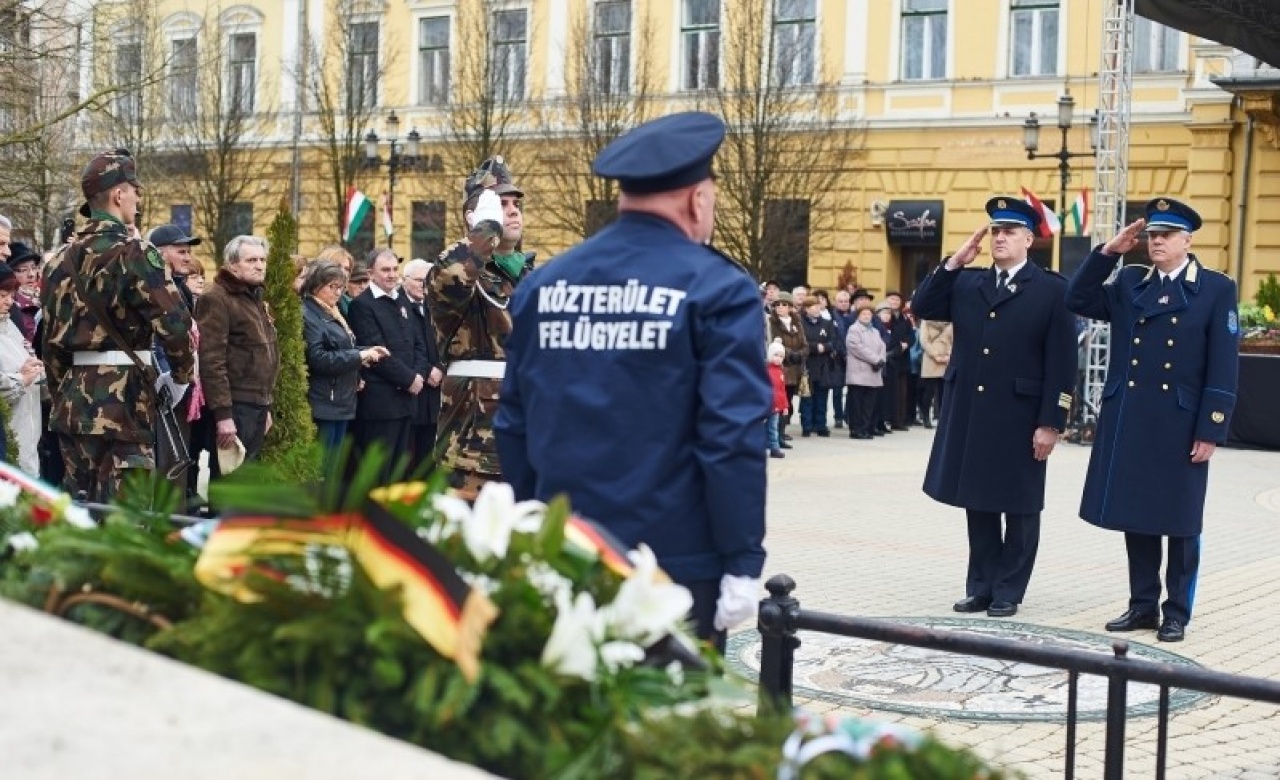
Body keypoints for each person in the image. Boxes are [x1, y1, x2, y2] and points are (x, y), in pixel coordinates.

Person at [495, 111, 772, 650]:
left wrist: (536, 530)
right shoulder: (719, 289)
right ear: (697, 199)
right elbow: (731, 437)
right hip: (672, 565)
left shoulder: (544, 284)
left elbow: (514, 423)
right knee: (663, 725)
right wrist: (742, 560)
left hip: (567, 549)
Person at [1065, 198, 1238, 642]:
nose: (1156, 242)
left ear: (1187, 240)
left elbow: (1223, 364)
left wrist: (1211, 428)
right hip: (1132, 416)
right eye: (1152, 235)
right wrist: (1109, 252)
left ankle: (1176, 611)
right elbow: (1077, 297)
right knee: (1137, 513)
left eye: (1165, 236)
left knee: (1179, 520)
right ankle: (1142, 604)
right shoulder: (1129, 281)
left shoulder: (1215, 289)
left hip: (1181, 422)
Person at [911, 196, 1076, 618]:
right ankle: (980, 586)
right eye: (996, 231)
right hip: (974, 413)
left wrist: (1051, 422)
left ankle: (1009, 590)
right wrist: (953, 263)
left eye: (1010, 232)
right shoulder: (968, 283)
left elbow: (1062, 363)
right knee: (979, 503)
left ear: (1029, 239)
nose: (1000, 237)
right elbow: (923, 307)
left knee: (1020, 506)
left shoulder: (1052, 290)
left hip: (1022, 416)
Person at [41, 148, 194, 501]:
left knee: (81, 519)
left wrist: (66, 389)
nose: (138, 199)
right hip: (125, 403)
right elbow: (175, 324)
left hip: (74, 403)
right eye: (135, 191)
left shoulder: (58, 261)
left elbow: (50, 343)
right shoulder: (135, 252)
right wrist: (181, 378)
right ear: (118, 194)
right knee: (127, 521)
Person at [428, 155, 531, 499]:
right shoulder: (458, 270)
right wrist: (484, 230)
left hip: (528, 436)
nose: (514, 210)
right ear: (476, 217)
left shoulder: (530, 276)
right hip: (473, 445)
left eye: (517, 204)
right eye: (502, 204)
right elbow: (452, 277)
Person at [195, 235, 280, 471]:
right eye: (251, 260)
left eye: (262, 260)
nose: (260, 265)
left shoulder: (254, 297)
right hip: (235, 406)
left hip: (257, 405)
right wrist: (223, 415)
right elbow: (212, 360)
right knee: (229, 478)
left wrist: (266, 404)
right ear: (232, 265)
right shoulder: (217, 298)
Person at [348, 248, 428, 476]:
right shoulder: (361, 306)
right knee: (378, 473)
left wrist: (419, 375)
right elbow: (376, 352)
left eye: (395, 269)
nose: (392, 274)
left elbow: (418, 343)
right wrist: (408, 378)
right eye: (385, 270)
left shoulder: (402, 300)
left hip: (407, 401)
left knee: (398, 472)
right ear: (371, 272)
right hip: (380, 404)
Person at [301, 260, 388, 465]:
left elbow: (342, 349)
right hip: (324, 401)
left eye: (341, 287)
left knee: (333, 467)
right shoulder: (308, 313)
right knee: (322, 467)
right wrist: (360, 356)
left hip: (341, 400)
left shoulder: (332, 311)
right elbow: (318, 358)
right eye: (333, 287)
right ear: (316, 285)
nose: (338, 293)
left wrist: (366, 351)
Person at [146, 224, 202, 498]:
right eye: (181, 251)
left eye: (188, 252)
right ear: (159, 253)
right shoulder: (150, 287)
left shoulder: (182, 290)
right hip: (160, 387)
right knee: (162, 467)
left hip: (182, 385)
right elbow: (155, 338)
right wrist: (166, 379)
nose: (188, 258)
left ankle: (172, 529)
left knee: (177, 466)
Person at [399, 258, 445, 466]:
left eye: (428, 280)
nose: (424, 286)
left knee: (430, 455)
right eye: (419, 280)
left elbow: (448, 341)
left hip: (436, 393)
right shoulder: (398, 305)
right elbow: (403, 347)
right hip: (412, 388)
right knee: (408, 456)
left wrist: (441, 368)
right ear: (405, 280)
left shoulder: (435, 306)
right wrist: (427, 371)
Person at [0, 263, 43, 474]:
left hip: (27, 445)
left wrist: (34, 371)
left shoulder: (10, 327)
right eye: (2, 295)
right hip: (8, 448)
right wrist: (20, 379)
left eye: (11, 295)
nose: (9, 301)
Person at [767, 291, 806, 447]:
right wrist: (790, 354)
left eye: (784, 304)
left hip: (795, 368)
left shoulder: (797, 322)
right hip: (780, 366)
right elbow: (775, 343)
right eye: (777, 305)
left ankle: (782, 434)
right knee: (776, 403)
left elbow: (805, 344)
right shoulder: (772, 322)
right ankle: (774, 436)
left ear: (790, 307)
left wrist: (800, 354)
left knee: (787, 404)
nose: (780, 307)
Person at [844, 300, 886, 441]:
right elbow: (856, 348)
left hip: (873, 372)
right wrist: (875, 359)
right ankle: (856, 429)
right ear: (858, 315)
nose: (866, 316)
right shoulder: (854, 329)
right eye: (863, 314)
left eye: (869, 314)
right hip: (859, 372)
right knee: (857, 404)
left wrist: (881, 360)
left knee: (869, 404)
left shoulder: (875, 331)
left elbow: (882, 347)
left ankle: (866, 428)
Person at [798, 295, 839, 437]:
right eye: (813, 307)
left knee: (822, 397)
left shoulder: (827, 323)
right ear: (806, 309)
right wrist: (816, 347)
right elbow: (801, 343)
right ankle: (807, 426)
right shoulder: (800, 323)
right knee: (807, 397)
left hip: (823, 365)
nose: (817, 309)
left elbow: (834, 341)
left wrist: (826, 347)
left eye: (818, 306)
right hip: (808, 364)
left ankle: (820, 425)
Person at [917, 318, 954, 429]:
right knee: (929, 390)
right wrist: (935, 354)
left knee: (944, 390)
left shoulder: (950, 322)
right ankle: (926, 416)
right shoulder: (926, 321)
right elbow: (924, 340)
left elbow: (954, 340)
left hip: (946, 359)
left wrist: (948, 355)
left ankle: (942, 417)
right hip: (931, 358)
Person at [6, 241, 42, 344]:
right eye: (23, 270)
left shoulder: (44, 299)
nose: (31, 274)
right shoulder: (8, 304)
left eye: (33, 268)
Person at [766, 339, 788, 459]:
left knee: (773, 427)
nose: (778, 358)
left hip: (777, 407)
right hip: (767, 406)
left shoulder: (780, 372)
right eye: (776, 355)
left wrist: (785, 406)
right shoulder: (766, 371)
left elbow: (782, 390)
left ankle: (774, 447)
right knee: (767, 428)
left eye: (781, 356)